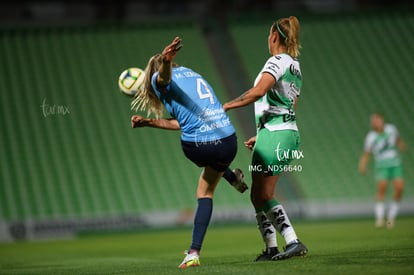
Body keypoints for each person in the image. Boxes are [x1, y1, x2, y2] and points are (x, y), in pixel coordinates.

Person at [130, 37, 247, 268]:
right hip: (228, 140)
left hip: (198, 147)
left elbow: (162, 79)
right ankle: (232, 177)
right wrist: (149, 122)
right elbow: (184, 120)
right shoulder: (192, 75)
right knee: (213, 168)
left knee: (204, 193)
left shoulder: (159, 78)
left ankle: (194, 253)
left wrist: (164, 61)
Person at [223, 16, 307, 261]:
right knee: (256, 194)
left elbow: (259, 91)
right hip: (281, 132)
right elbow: (289, 105)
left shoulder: (276, 61)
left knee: (265, 193)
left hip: (276, 134)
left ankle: (292, 240)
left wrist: (227, 105)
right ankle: (271, 247)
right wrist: (260, 134)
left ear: (273, 37)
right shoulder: (294, 65)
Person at [359, 112, 406, 229]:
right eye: (374, 121)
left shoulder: (391, 129)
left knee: (400, 188)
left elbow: (398, 140)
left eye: (377, 120)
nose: (376, 122)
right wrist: (363, 165)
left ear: (382, 120)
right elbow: (366, 153)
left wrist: (401, 145)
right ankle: (380, 218)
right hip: (382, 166)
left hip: (395, 164)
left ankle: (391, 217)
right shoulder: (371, 137)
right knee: (382, 190)